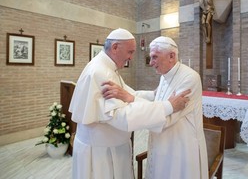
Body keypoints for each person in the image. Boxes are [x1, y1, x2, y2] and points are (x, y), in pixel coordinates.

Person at [68, 28, 190, 179]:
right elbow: (122, 117)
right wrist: (169, 106)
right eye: (130, 52)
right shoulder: (102, 73)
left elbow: (126, 94)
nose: (131, 58)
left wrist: (154, 95)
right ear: (115, 48)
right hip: (102, 152)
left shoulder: (105, 67)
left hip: (105, 145)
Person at [102, 36, 209, 179]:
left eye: (154, 57)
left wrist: (130, 98)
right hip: (161, 143)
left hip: (180, 147)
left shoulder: (189, 78)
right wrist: (126, 94)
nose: (151, 63)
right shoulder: (165, 74)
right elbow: (156, 96)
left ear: (171, 56)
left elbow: (166, 118)